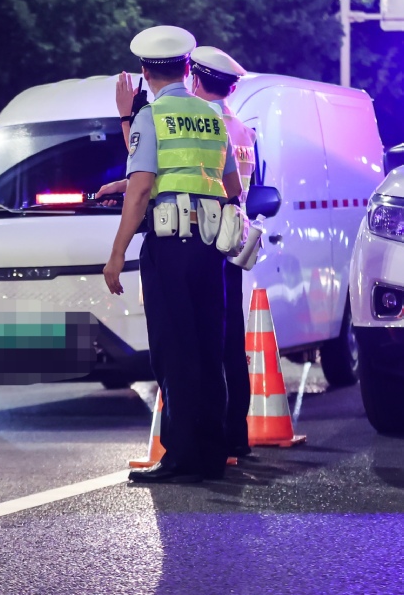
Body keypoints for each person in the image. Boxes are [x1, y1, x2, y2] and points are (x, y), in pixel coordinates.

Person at [102, 25, 242, 485]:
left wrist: (117, 254)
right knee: (208, 348)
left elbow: (142, 190)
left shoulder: (149, 117)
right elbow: (231, 186)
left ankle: (181, 456)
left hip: (169, 246)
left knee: (173, 351)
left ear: (145, 73)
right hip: (209, 248)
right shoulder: (212, 117)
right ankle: (211, 452)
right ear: (187, 67)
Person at [187, 46, 254, 461]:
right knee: (233, 343)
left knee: (206, 340)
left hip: (205, 237)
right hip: (236, 238)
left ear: (196, 80)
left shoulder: (202, 125)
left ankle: (212, 437)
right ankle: (237, 435)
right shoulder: (245, 130)